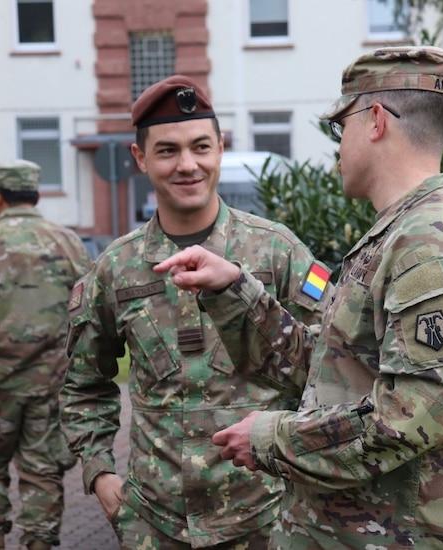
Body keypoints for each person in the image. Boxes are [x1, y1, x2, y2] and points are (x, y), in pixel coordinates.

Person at [154, 46, 443, 549]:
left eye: (338, 126)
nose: (337, 145)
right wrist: (234, 291)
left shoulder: (431, 240)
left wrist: (272, 438)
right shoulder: (405, 232)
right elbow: (335, 372)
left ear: (373, 121)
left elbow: (415, 415)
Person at [59, 75, 332, 549]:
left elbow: (331, 368)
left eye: (200, 147)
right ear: (140, 158)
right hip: (154, 523)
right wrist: (100, 475)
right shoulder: (115, 270)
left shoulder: (278, 253)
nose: (188, 165)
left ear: (221, 148)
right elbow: (84, 385)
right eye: (167, 151)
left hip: (266, 520)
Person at [0, 159, 92, 550]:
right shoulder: (69, 242)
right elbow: (91, 313)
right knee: (43, 470)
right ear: (36, 195)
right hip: (52, 383)